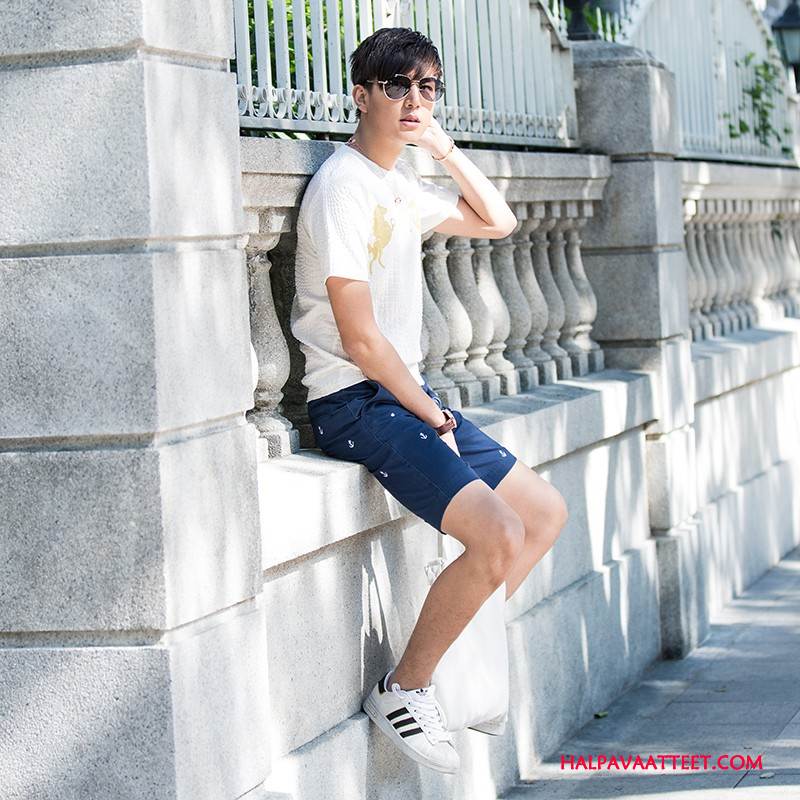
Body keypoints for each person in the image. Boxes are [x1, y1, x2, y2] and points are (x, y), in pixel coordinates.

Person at [289, 27, 568, 774]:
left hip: (405, 396)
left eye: (427, 88)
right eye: (397, 86)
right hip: (357, 401)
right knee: (499, 533)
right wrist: (430, 412)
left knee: (542, 514)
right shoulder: (342, 188)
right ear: (361, 95)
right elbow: (360, 338)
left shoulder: (398, 186)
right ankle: (404, 689)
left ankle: (450, 659)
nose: (414, 100)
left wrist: (441, 147)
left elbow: (498, 221)